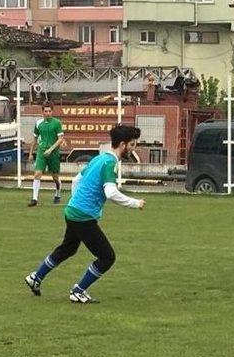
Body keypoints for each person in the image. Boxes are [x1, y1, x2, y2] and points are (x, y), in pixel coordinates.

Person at [25, 125, 145, 304]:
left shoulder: (99, 158)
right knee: (107, 257)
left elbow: (76, 180)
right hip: (83, 217)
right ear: (122, 144)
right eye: (132, 145)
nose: (133, 149)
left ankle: (36, 276)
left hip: (72, 211)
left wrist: (76, 201)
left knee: (68, 248)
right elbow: (111, 193)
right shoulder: (109, 163)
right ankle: (78, 291)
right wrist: (136, 203)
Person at [28, 102, 65, 207]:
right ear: (42, 112)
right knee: (37, 174)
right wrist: (31, 153)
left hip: (53, 153)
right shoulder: (38, 123)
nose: (48, 113)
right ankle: (34, 199)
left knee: (55, 177)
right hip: (42, 151)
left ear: (52, 111)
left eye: (49, 111)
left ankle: (58, 193)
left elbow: (60, 139)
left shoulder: (57, 123)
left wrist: (51, 149)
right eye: (46, 111)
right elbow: (34, 139)